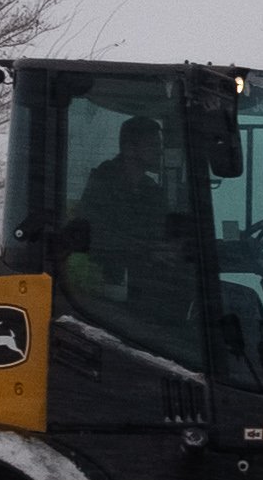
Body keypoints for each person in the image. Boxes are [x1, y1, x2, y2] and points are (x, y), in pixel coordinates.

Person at [64, 113, 189, 328]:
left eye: (159, 145)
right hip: (109, 284)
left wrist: (174, 247)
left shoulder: (151, 190)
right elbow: (96, 236)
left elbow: (161, 231)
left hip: (149, 281)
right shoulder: (103, 185)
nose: (159, 151)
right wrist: (147, 250)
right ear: (130, 149)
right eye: (152, 145)